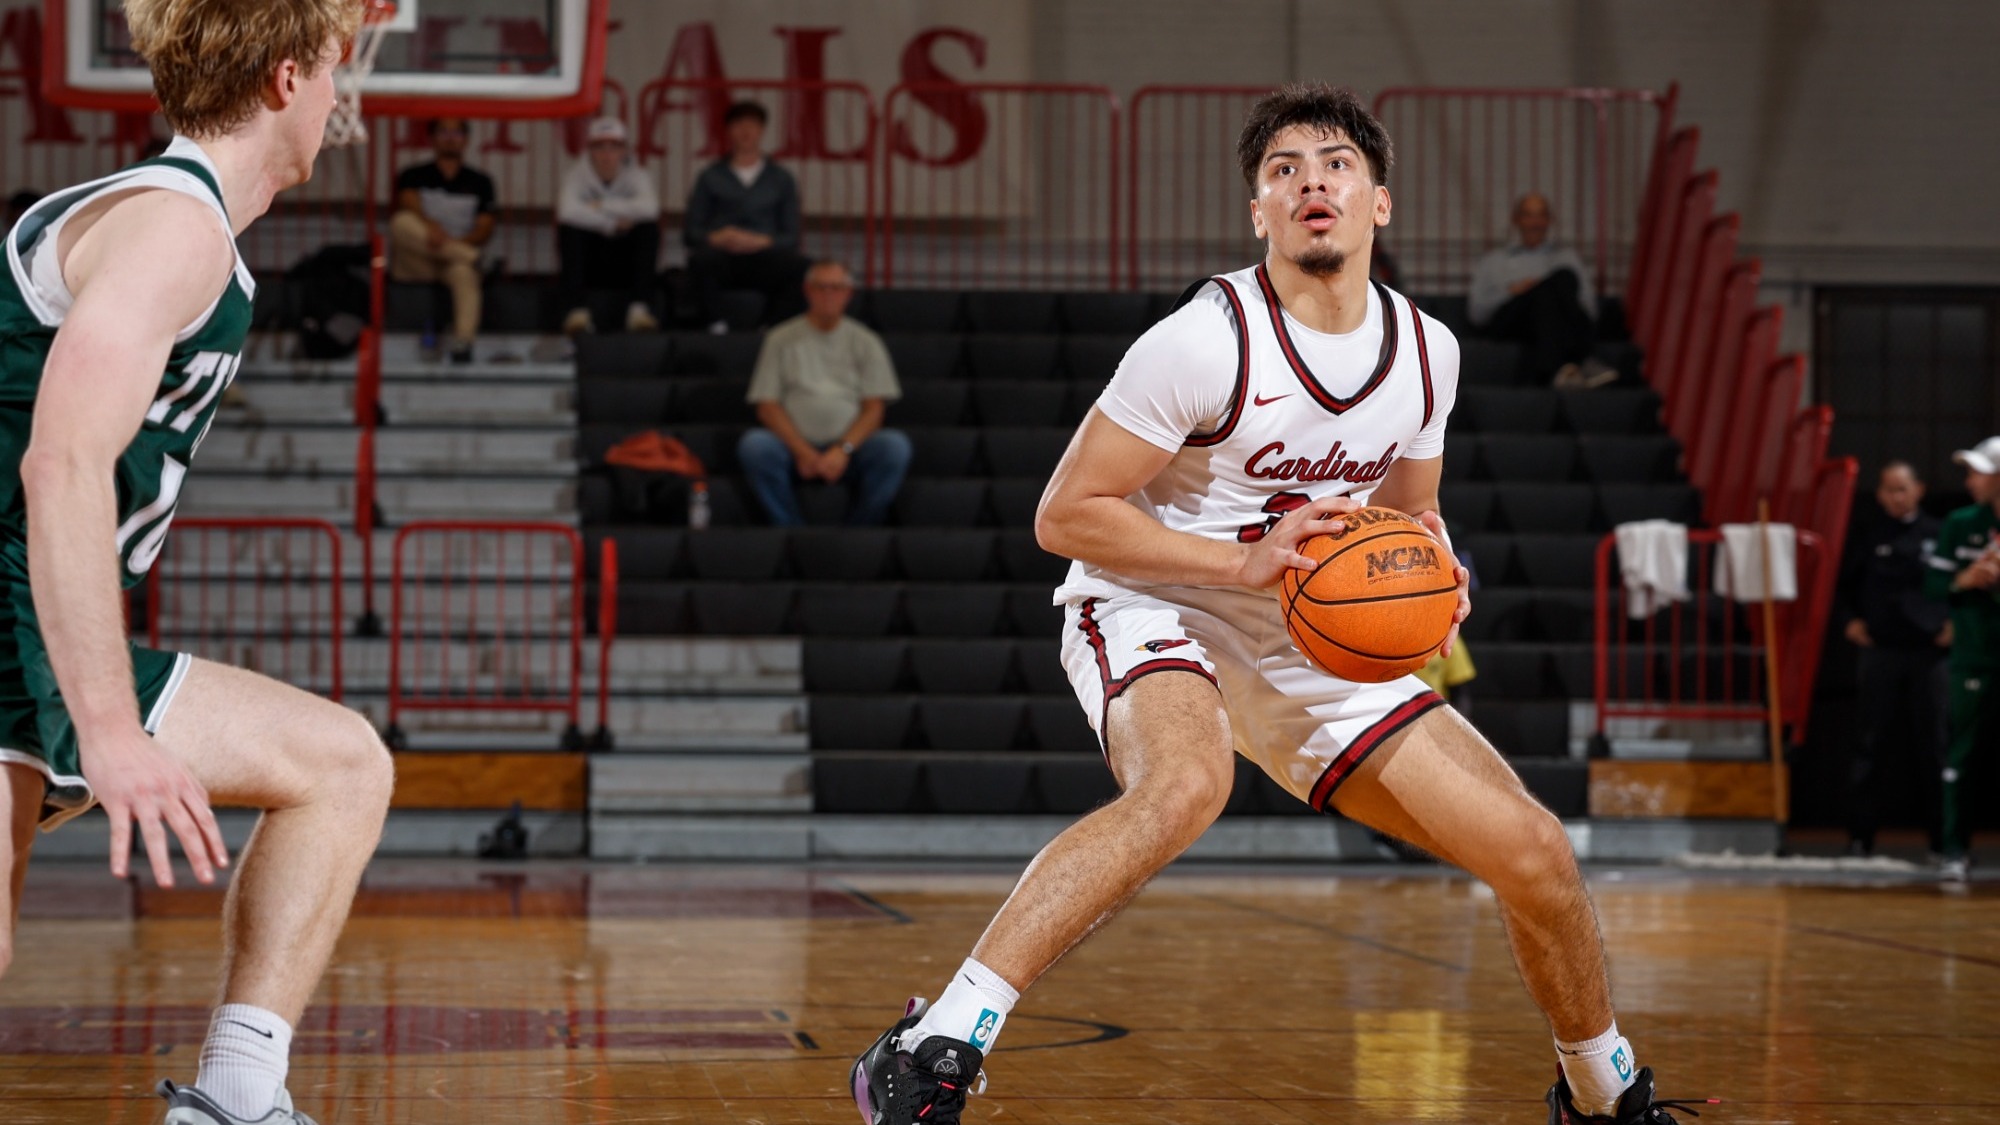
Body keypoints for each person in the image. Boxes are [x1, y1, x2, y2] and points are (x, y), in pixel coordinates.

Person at [851, 83, 1692, 1125]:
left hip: (1304, 627)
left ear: (1377, 200)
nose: (1311, 183)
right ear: (1258, 212)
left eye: (1334, 163)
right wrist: (1241, 564)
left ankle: (1599, 1089)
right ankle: (935, 1037)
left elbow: (1410, 511)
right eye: (1282, 170)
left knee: (1533, 853)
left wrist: (1433, 571)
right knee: (1185, 787)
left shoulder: (1429, 352)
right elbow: (1065, 516)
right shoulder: (1201, 342)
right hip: (1151, 597)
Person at [0, 2, 394, 1124]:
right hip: (11, 622)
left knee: (339, 766)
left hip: (34, 631)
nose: (339, 99)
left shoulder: (182, 224)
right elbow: (62, 466)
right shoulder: (171, 229)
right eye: (328, 73)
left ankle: (234, 1099)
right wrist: (112, 733)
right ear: (282, 82)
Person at [738, 260, 909, 526]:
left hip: (851, 451)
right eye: (822, 287)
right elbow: (767, 406)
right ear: (808, 291)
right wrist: (803, 451)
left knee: (894, 447)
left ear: (849, 294)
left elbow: (874, 409)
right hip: (793, 449)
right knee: (755, 446)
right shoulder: (780, 338)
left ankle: (860, 531)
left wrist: (843, 450)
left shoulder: (866, 341)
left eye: (837, 288)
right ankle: (791, 530)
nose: (829, 294)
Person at [1836, 461, 1951, 857]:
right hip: (1881, 651)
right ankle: (1859, 839)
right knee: (1869, 744)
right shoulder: (1868, 533)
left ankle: (1943, 841)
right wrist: (1849, 621)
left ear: (1918, 489)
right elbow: (1843, 586)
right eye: (1887, 489)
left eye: (1901, 488)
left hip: (1929, 654)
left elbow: (1961, 584)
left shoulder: (1939, 533)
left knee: (1935, 745)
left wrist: (1953, 624)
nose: (1894, 496)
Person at [1926, 436, 2000, 882]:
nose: (1969, 480)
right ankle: (1954, 847)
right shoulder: (1959, 523)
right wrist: (1965, 579)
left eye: (1978, 471)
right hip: (1974, 658)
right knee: (1963, 754)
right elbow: (1934, 586)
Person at [682, 100, 808, 333]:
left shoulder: (781, 178)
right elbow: (691, 232)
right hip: (723, 256)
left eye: (752, 125)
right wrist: (719, 237)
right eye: (739, 124)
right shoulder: (710, 176)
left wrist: (762, 241)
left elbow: (791, 235)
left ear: (762, 130)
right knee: (699, 262)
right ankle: (716, 325)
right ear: (729, 131)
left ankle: (772, 326)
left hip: (764, 255)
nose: (746, 131)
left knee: (800, 267)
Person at [1468, 192, 1617, 388]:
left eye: (1540, 215)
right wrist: (1513, 291)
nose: (1535, 223)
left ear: (1549, 220)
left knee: (1562, 278)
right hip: (1510, 321)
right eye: (1528, 215)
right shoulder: (1494, 261)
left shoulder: (1567, 257)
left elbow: (1589, 309)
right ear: (1516, 220)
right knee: (1547, 290)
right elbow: (1476, 314)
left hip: (1558, 321)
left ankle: (1555, 372)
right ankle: (1584, 359)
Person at [389, 117, 496, 362]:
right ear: (432, 138)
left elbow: (485, 229)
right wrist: (430, 228)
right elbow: (407, 207)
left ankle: (463, 343)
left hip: (452, 262)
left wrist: (458, 244)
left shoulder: (481, 182)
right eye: (444, 132)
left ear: (466, 140)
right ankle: (473, 258)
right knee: (401, 223)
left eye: (457, 133)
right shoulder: (413, 175)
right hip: (418, 260)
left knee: (463, 274)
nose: (450, 138)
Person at [556, 116, 660, 336]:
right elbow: (567, 212)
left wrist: (601, 205)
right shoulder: (575, 175)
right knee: (570, 231)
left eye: (614, 147)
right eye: (600, 147)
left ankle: (639, 310)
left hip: (625, 259)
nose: (607, 154)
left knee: (647, 229)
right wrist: (611, 224)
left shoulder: (638, 175)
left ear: (624, 151)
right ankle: (577, 312)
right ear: (589, 150)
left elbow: (650, 209)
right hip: (591, 258)